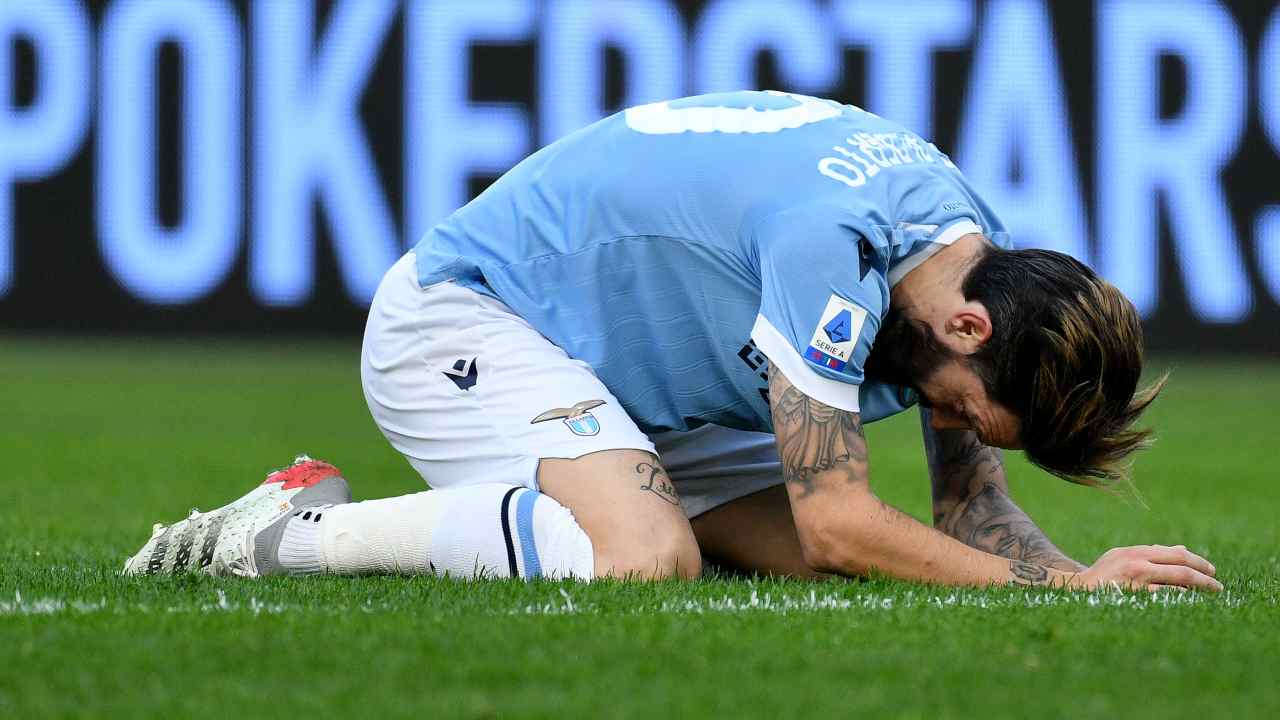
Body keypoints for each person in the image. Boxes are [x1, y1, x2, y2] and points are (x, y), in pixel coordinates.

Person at [125, 91, 1220, 592]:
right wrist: (1066, 595)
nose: (945, 429)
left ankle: (598, 471)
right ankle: (277, 534)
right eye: (961, 410)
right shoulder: (831, 251)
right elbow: (839, 519)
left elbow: (962, 516)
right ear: (969, 327)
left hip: (624, 380)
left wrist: (1084, 576)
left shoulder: (957, 253)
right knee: (643, 558)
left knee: (864, 571)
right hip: (464, 320)